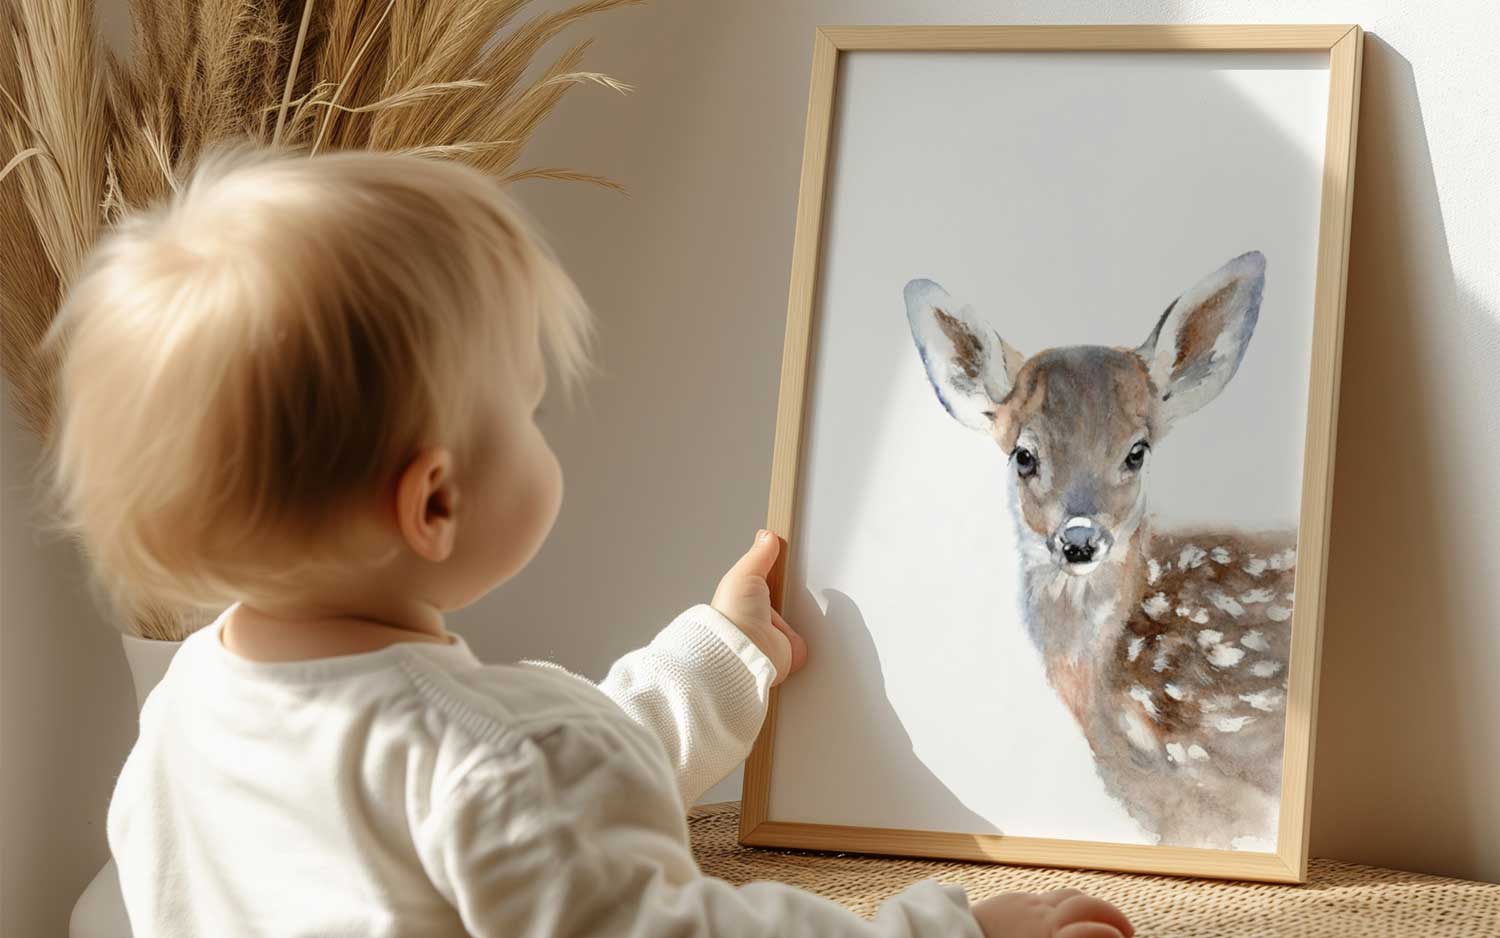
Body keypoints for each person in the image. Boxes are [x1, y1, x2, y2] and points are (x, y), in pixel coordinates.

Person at [43, 143, 1134, 938]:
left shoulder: (190, 710)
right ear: (434, 504)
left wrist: (720, 653)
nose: (540, 421)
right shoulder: (504, 757)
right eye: (526, 407)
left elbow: (555, 795)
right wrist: (957, 929)